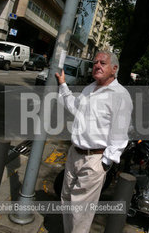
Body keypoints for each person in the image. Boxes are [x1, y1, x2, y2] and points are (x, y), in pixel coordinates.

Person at [55, 51, 133, 233]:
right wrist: (63, 85)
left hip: (94, 160)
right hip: (75, 154)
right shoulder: (89, 88)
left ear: (114, 69)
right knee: (66, 199)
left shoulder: (120, 95)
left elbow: (120, 134)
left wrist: (105, 163)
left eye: (102, 63)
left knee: (80, 210)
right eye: (95, 62)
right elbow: (75, 108)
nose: (97, 65)